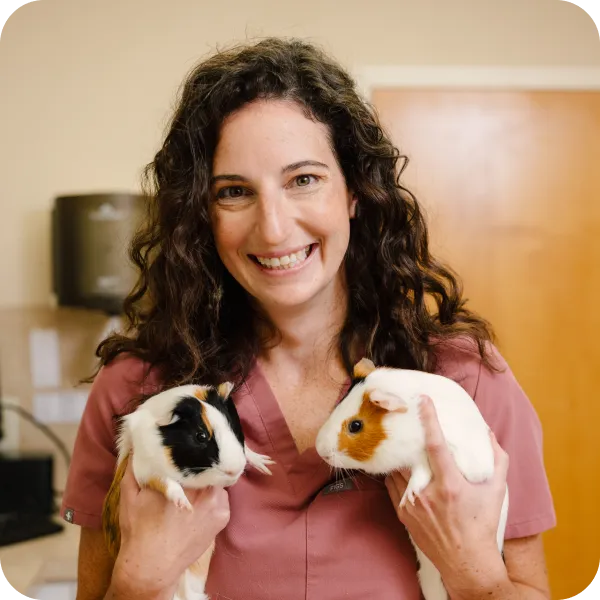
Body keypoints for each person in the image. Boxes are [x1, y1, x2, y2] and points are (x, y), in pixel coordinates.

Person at [61, 37, 556, 600]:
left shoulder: (463, 385)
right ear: (202, 212)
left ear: (355, 192)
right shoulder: (138, 393)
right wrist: (138, 581)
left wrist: (475, 575)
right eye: (234, 192)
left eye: (304, 179)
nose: (273, 228)